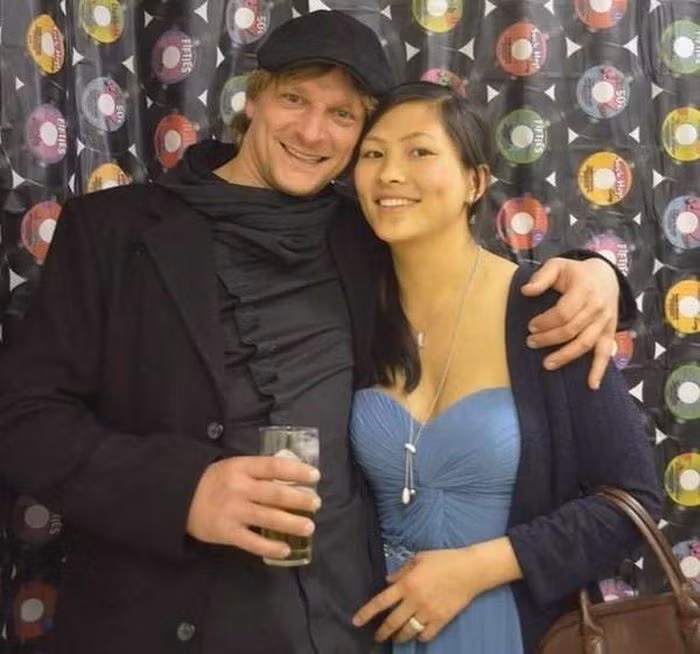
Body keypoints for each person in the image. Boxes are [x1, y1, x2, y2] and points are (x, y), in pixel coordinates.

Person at [0, 11, 635, 654]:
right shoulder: (112, 231)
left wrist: (598, 275)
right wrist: (184, 490)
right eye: (295, 99)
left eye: (342, 114)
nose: (312, 131)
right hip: (162, 623)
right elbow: (25, 418)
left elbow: (462, 259)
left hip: (341, 625)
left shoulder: (365, 230)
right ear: (254, 99)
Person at [348, 82, 661, 654]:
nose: (390, 173)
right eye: (373, 153)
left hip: (511, 631)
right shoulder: (346, 310)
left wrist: (474, 569)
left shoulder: (548, 311)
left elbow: (633, 502)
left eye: (419, 151)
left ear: (476, 181)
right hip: (370, 628)